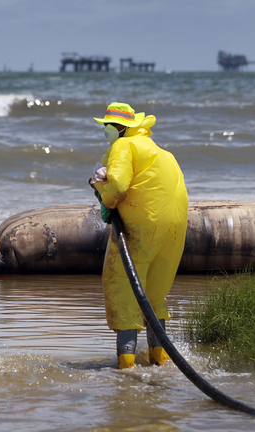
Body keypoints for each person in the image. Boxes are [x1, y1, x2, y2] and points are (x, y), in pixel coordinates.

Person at [89, 102, 188, 369]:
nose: (106, 131)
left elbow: (119, 185)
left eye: (107, 127)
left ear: (119, 128)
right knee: (154, 294)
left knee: (123, 285)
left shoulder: (124, 146)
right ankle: (160, 361)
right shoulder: (161, 153)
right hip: (174, 229)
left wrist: (102, 191)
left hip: (143, 227)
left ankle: (127, 367)